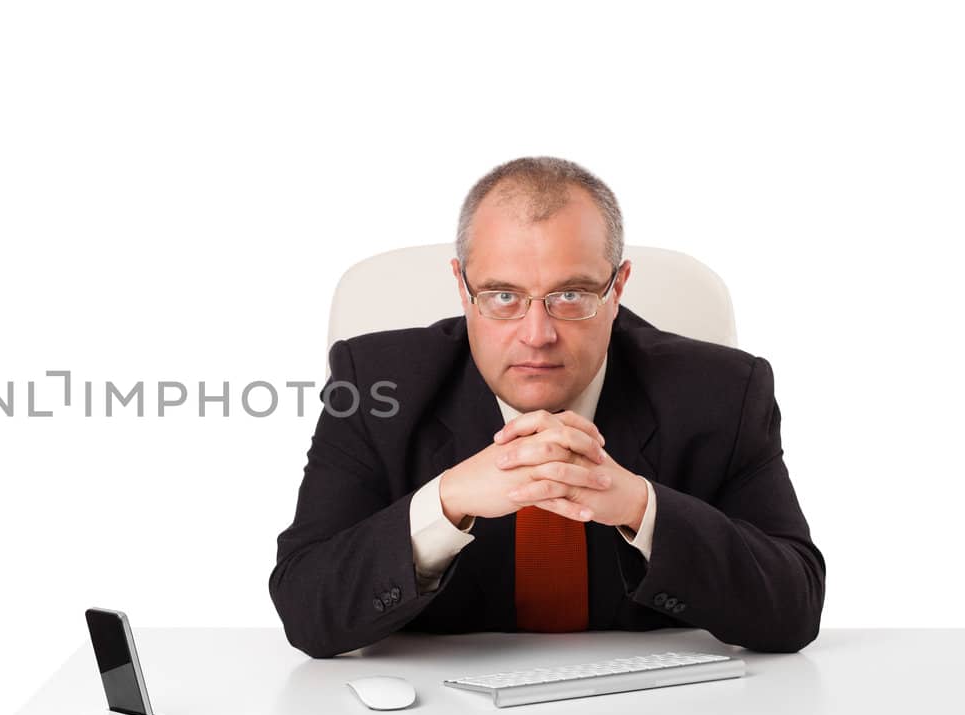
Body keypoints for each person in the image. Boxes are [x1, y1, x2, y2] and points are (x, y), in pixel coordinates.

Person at [269, 156, 825, 657]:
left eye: (572, 295)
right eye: (503, 296)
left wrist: (640, 507)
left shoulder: (724, 390)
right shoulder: (375, 384)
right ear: (463, 289)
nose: (537, 335)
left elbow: (795, 607)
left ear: (618, 288)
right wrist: (446, 502)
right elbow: (305, 607)